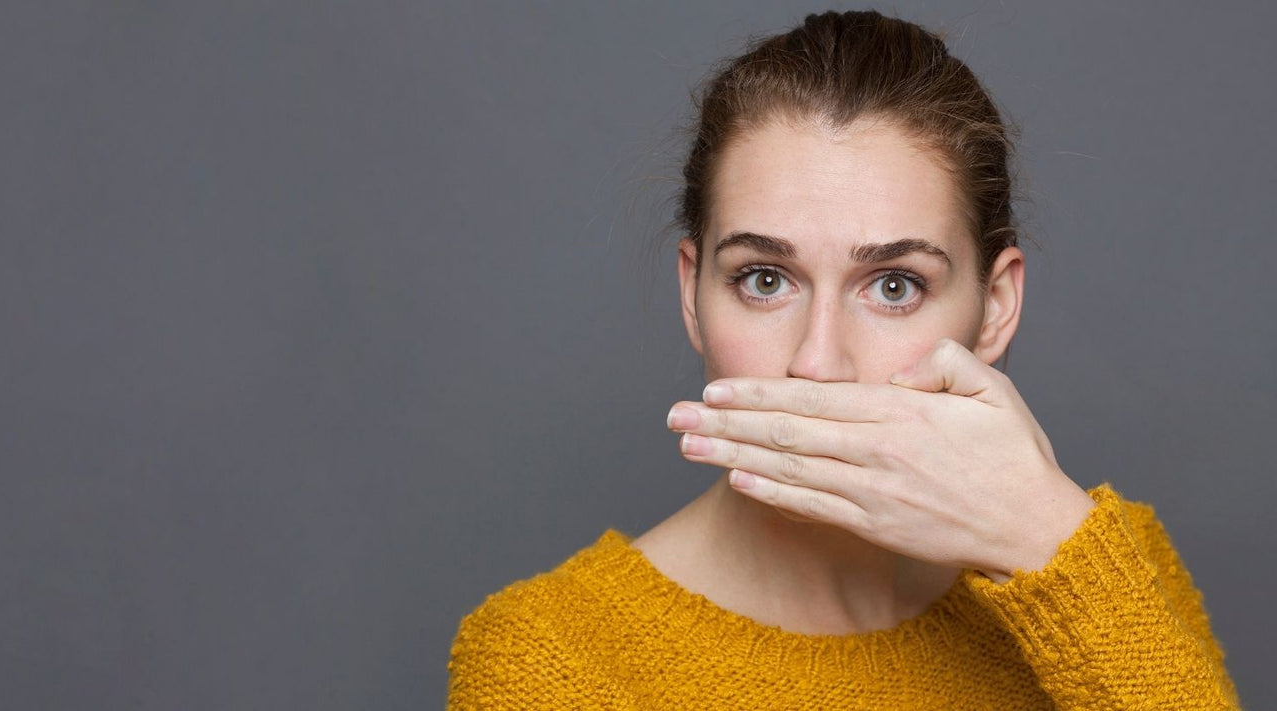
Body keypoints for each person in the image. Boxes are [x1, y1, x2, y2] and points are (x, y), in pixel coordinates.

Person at [446, 9, 1240, 709]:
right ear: (693, 294)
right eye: (765, 279)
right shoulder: (550, 656)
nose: (817, 363)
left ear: (995, 307)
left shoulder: (1102, 567)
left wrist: (1050, 545)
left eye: (894, 286)